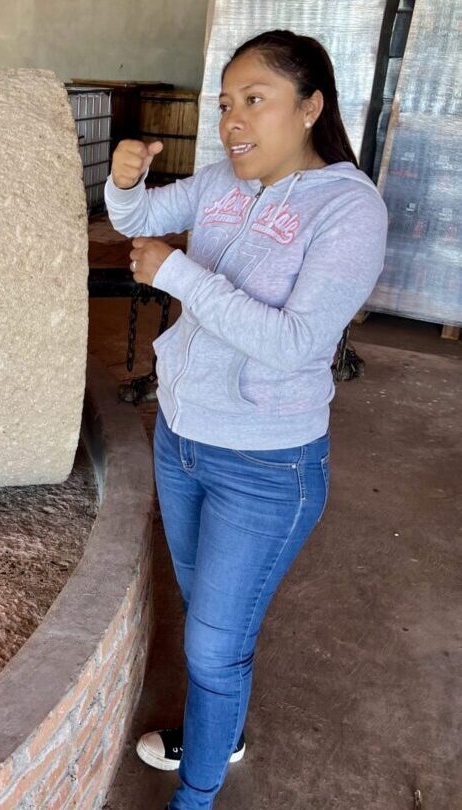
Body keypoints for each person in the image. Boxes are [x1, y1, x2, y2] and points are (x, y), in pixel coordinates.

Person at [104, 29, 388, 810]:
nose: (233, 120)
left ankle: (195, 798)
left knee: (213, 642)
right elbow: (137, 218)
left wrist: (181, 274)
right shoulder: (225, 182)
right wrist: (124, 183)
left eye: (254, 100)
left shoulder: (349, 210)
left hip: (265, 467)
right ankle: (220, 733)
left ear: (310, 107)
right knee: (210, 627)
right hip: (182, 441)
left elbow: (298, 343)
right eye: (225, 103)